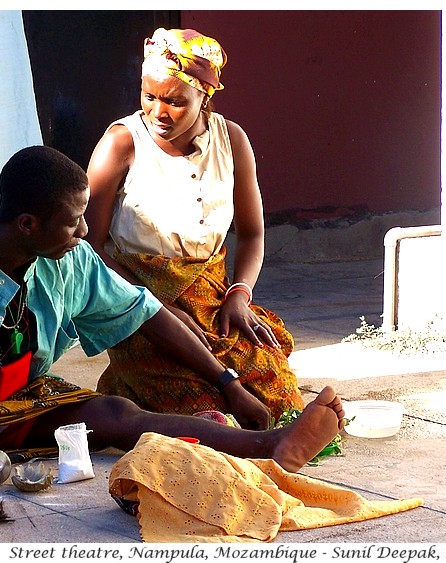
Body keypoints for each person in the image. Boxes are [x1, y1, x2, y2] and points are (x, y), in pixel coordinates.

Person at [0, 145, 345, 527]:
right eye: (74, 221)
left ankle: (266, 444)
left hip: (7, 403)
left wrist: (228, 382)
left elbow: (146, 313)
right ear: (27, 224)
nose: (85, 232)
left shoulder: (69, 258)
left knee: (112, 414)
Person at [84, 28, 305, 422]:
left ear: (205, 96)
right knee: (205, 411)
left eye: (174, 101)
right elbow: (87, 246)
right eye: (149, 97)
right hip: (136, 305)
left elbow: (252, 235)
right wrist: (157, 307)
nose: (159, 113)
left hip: (213, 301)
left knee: (278, 397)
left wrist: (239, 295)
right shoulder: (122, 144)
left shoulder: (231, 139)